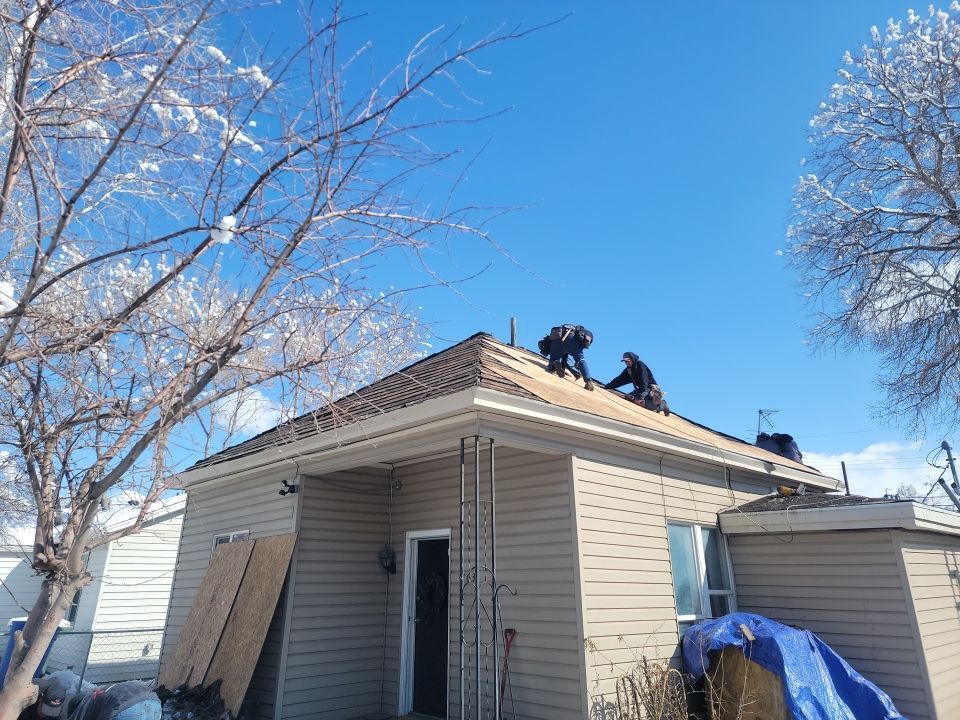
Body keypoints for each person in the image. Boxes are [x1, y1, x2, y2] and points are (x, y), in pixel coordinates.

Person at [605, 351, 670, 415]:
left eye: (628, 361)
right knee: (628, 397)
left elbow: (644, 380)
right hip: (642, 388)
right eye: (625, 361)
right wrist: (608, 386)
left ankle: (662, 405)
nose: (627, 363)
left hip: (651, 389)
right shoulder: (629, 370)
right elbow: (619, 379)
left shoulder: (640, 364)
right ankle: (647, 402)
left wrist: (639, 395)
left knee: (640, 401)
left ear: (633, 359)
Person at [545, 324, 595, 391]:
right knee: (581, 359)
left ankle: (555, 362)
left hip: (559, 337)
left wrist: (562, 368)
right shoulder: (580, 334)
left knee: (552, 362)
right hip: (573, 340)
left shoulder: (551, 342)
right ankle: (588, 382)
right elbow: (567, 356)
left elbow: (564, 355)